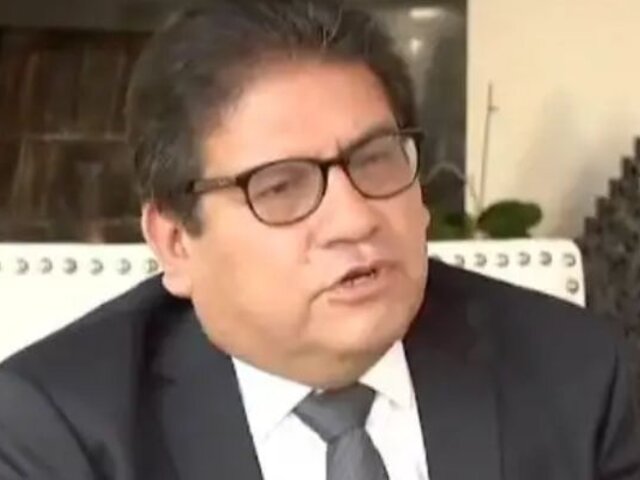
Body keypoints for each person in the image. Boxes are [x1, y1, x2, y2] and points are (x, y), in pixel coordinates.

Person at [0, 0, 638, 478]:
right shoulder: (57, 431)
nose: (355, 219)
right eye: (281, 187)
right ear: (176, 243)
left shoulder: (577, 374)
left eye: (376, 159)